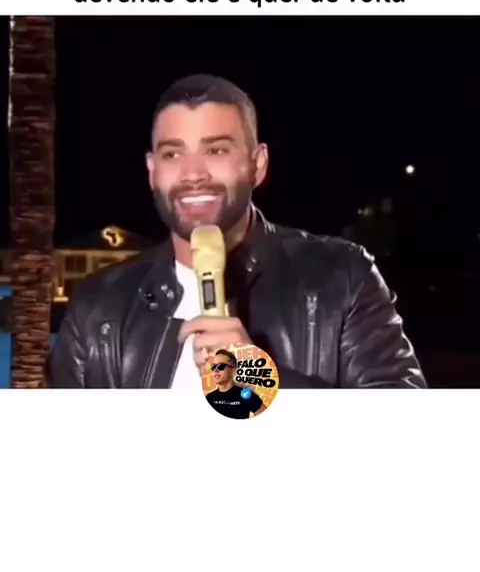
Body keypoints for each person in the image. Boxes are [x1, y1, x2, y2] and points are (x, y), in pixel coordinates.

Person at [47, 73, 427, 389]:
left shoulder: (342, 277)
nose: (193, 174)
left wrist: (261, 382)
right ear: (152, 171)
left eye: (215, 150)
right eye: (172, 154)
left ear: (257, 165)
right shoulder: (96, 307)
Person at [205, 350, 266, 418]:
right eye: (213, 366)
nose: (216, 370)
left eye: (221, 366)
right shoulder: (209, 398)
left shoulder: (246, 395)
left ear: (233, 371)